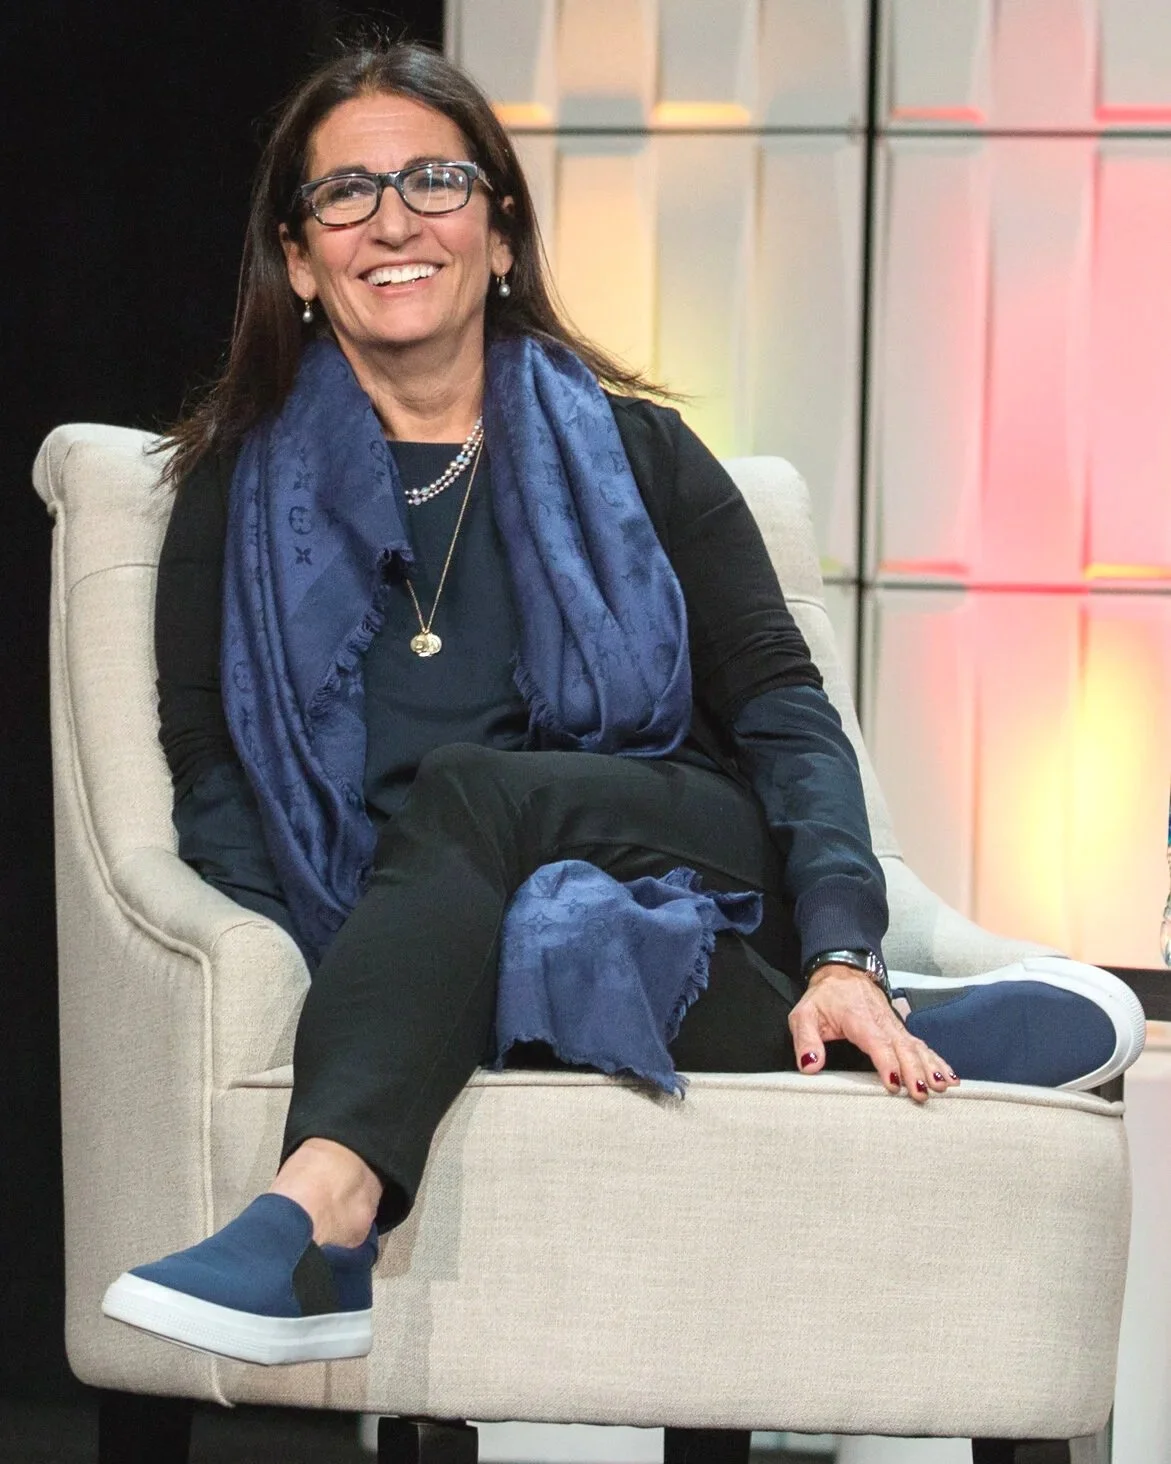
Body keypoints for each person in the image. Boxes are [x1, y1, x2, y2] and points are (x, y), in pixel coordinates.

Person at [100, 41, 1145, 1368]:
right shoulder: (231, 493)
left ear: (498, 230)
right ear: (299, 262)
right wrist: (358, 956)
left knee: (473, 792)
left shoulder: (641, 454)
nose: (395, 221)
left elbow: (782, 712)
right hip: (406, 902)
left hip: (680, 838)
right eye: (346, 196)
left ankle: (321, 1215)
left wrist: (840, 945)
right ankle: (921, 1032)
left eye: (433, 180)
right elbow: (211, 773)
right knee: (505, 908)